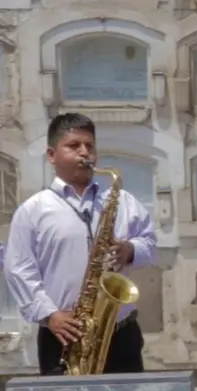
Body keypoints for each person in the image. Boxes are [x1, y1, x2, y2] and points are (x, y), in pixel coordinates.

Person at [4, 113, 156, 375]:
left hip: (121, 335)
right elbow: (18, 269)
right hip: (64, 337)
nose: (85, 153)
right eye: (74, 146)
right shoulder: (33, 210)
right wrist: (50, 315)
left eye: (90, 146)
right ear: (52, 155)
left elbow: (150, 243)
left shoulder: (122, 200)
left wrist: (129, 250)